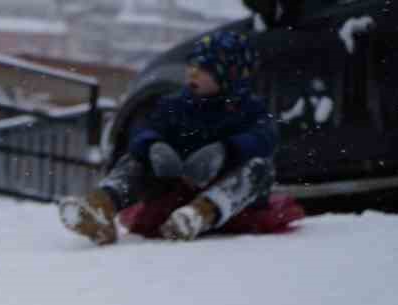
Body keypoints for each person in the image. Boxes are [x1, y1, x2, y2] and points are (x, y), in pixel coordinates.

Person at [60, 30, 278, 245]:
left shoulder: (250, 109)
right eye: (192, 65)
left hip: (227, 201)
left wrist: (226, 150)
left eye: (204, 68)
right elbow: (144, 129)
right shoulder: (177, 104)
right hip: (177, 191)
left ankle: (199, 214)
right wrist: (153, 145)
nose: (193, 72)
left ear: (228, 76)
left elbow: (265, 138)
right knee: (135, 161)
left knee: (259, 168)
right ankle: (102, 205)